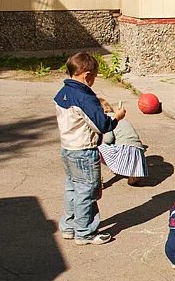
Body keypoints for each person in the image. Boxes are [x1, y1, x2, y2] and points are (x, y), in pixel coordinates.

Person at [54, 52, 125, 245]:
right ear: (87, 75)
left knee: (72, 187)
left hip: (67, 148)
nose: (94, 80)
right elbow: (102, 125)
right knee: (88, 191)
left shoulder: (63, 93)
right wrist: (116, 117)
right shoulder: (85, 97)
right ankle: (85, 232)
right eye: (94, 76)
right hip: (84, 151)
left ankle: (69, 226)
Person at [98, 98, 147, 186]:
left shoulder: (107, 120)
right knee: (125, 145)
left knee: (98, 146)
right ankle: (133, 172)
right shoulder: (121, 118)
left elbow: (108, 139)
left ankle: (101, 178)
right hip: (138, 149)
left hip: (124, 149)